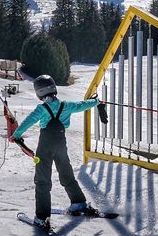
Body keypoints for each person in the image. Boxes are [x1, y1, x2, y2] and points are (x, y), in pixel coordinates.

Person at [11, 75, 102, 228]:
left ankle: (42, 217)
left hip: (45, 146)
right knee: (66, 173)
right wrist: (96, 101)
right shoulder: (66, 105)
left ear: (39, 92)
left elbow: (29, 121)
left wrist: (16, 135)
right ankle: (79, 203)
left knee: (42, 180)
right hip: (61, 143)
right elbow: (82, 105)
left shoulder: (42, 109)